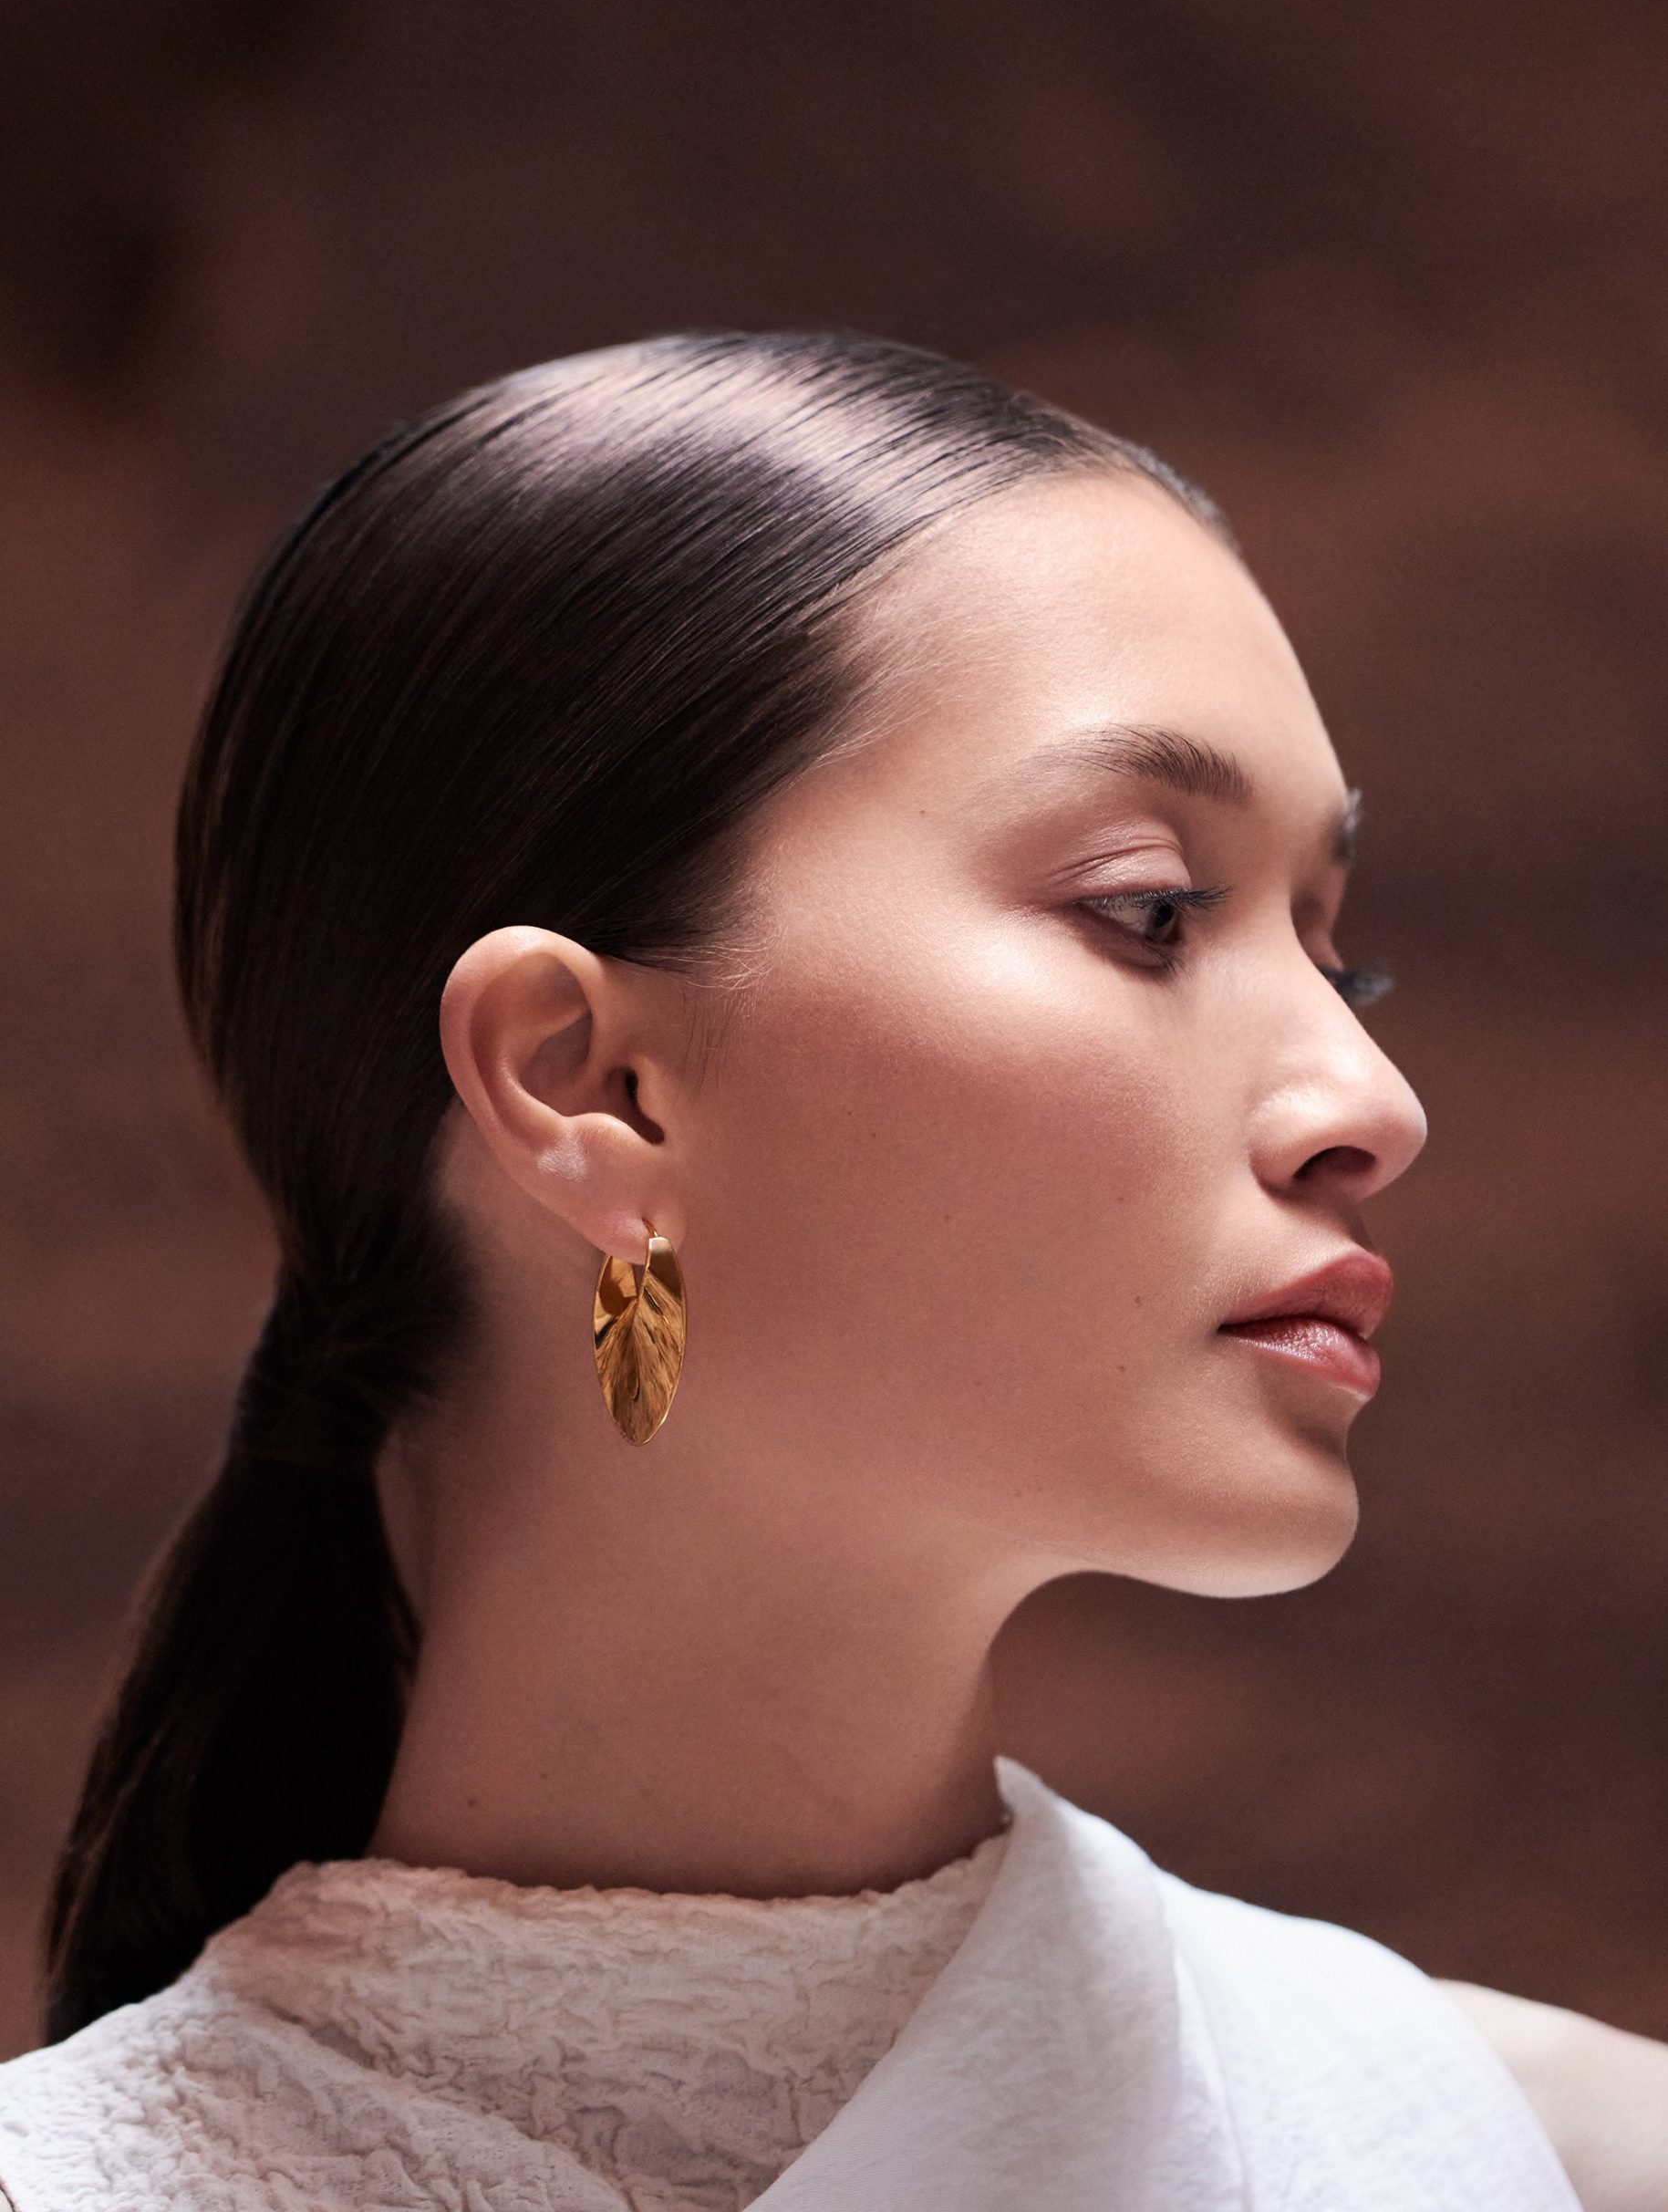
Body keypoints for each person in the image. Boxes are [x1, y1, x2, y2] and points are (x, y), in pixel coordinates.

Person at [1, 331, 1661, 2211]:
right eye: (1148, 910)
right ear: (591, 1082)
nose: (1371, 1102)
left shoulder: (1492, 2151)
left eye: (1336, 956)